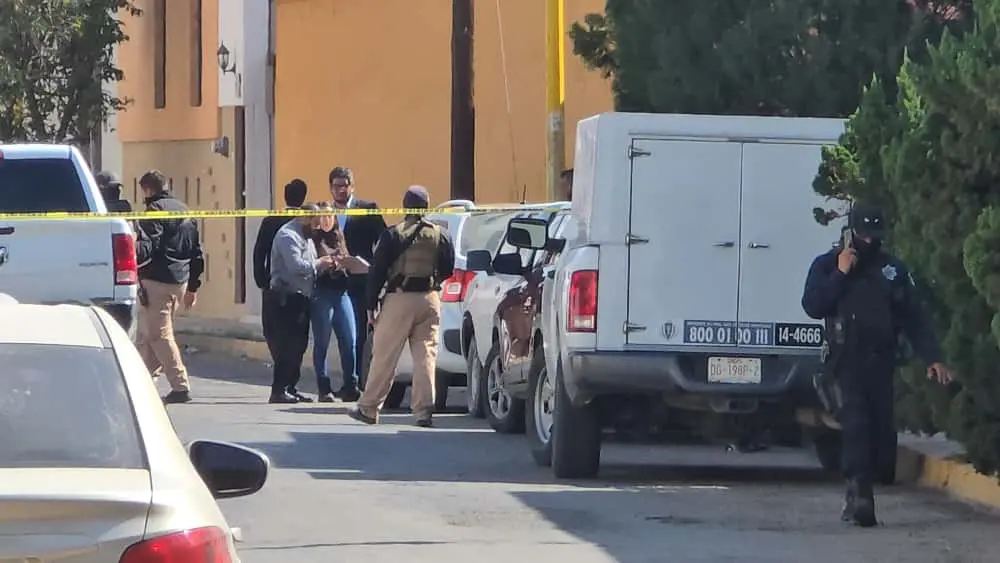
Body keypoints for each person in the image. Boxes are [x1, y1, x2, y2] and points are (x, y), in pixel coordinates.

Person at [801, 202, 953, 528]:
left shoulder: (892, 270)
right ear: (852, 231)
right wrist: (841, 273)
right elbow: (813, 306)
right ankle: (860, 494)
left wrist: (933, 358)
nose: (870, 241)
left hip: (881, 361)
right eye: (864, 235)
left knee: (880, 434)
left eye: (875, 235)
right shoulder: (828, 264)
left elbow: (914, 318)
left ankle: (861, 485)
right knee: (856, 423)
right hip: (845, 360)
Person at [348, 185, 455, 427]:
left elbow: (377, 271)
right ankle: (424, 411)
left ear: (404, 206)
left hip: (399, 298)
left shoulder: (393, 234)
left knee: (385, 355)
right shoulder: (441, 234)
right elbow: (448, 267)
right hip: (429, 298)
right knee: (426, 356)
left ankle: (369, 407)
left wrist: (370, 304)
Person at [134, 170, 205, 405]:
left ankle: (180, 386)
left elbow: (147, 249)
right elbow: (197, 252)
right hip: (180, 282)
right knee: (149, 334)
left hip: (157, 281)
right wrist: (193, 286)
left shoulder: (154, 212)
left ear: (147, 190)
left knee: (158, 334)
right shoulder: (185, 211)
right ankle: (142, 383)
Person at [265, 203, 336, 404]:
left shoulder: (306, 237)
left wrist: (328, 265)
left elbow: (311, 264)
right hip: (286, 298)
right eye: (313, 223)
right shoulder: (289, 236)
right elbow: (296, 267)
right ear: (304, 218)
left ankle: (290, 387)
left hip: (302, 297)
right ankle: (278, 389)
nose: (316, 228)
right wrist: (319, 264)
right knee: (287, 346)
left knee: (299, 346)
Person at [329, 166, 386, 396]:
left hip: (361, 281)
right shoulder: (326, 212)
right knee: (342, 335)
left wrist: (373, 267)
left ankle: (360, 383)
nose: (341, 190)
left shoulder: (367, 209)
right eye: (336, 186)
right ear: (330, 188)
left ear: (352, 186)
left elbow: (384, 239)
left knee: (359, 334)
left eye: (345, 185)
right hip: (334, 281)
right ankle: (347, 381)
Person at [310, 202, 359, 403]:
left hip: (342, 292)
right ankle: (323, 387)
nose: (327, 220)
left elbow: (347, 260)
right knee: (322, 341)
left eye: (330, 216)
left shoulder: (339, 237)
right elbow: (311, 265)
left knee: (350, 340)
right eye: (323, 216)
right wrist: (327, 264)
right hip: (322, 292)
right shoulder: (313, 239)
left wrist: (348, 264)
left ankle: (351, 384)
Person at [253, 179, 308, 291]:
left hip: (274, 283)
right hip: (302, 284)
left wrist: (262, 281)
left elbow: (259, 252)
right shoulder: (306, 222)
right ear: (303, 197)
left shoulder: (270, 221)